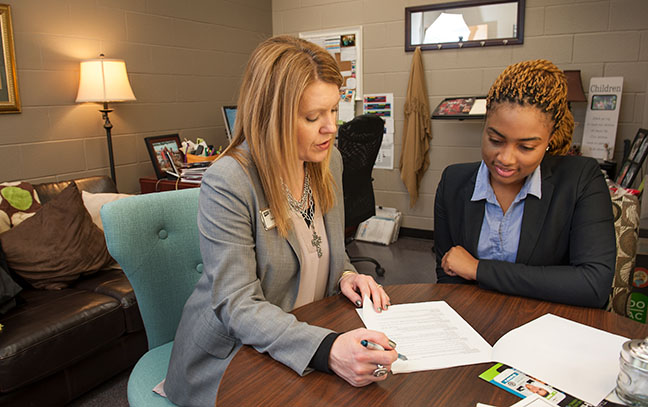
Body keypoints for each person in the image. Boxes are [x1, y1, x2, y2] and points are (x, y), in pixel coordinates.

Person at [163, 35, 398, 406]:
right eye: (312, 117)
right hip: (234, 353)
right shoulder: (229, 180)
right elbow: (237, 304)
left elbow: (325, 248)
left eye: (334, 111)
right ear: (270, 115)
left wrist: (348, 275)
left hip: (302, 330)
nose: (331, 127)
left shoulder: (327, 160)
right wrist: (326, 348)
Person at [434, 59, 615, 308]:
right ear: (485, 126)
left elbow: (593, 285)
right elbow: (449, 275)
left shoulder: (581, 180)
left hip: (547, 328)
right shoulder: (452, 182)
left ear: (549, 139)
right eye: (495, 140)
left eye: (526, 147)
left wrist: (479, 269)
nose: (505, 159)